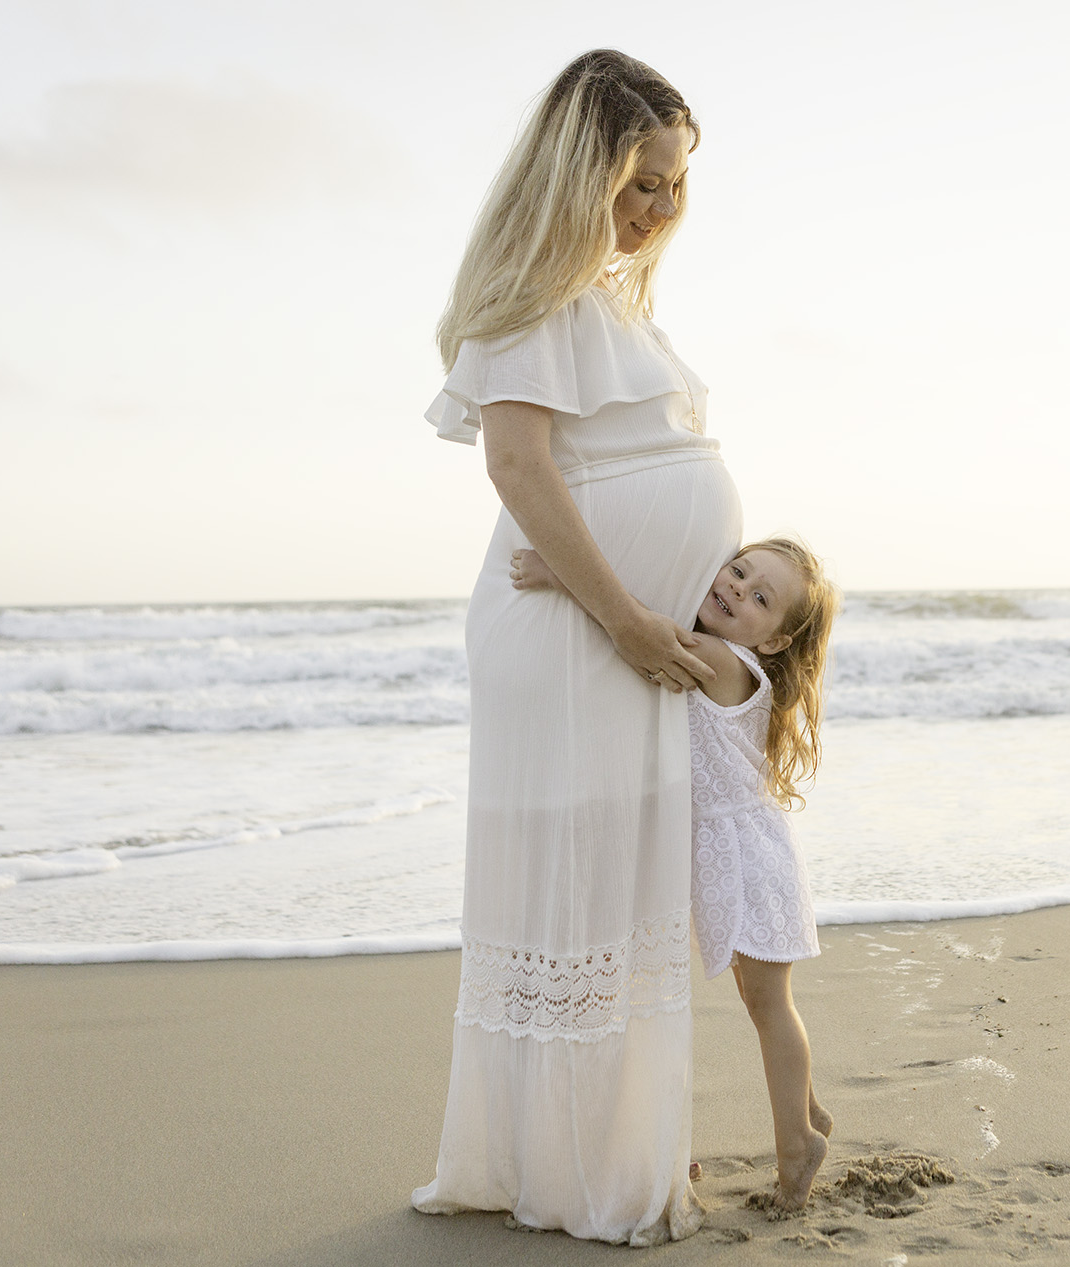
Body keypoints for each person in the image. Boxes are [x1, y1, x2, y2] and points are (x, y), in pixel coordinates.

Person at [410, 50, 737, 1245]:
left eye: (673, 185)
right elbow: (518, 466)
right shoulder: (535, 292)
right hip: (575, 641)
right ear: (578, 171)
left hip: (617, 637)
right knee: (582, 900)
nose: (656, 208)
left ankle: (611, 1153)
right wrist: (628, 616)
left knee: (617, 894)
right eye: (638, 181)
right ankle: (577, 1172)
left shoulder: (610, 302)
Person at [515, 537, 841, 1210]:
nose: (735, 589)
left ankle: (797, 1145)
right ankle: (806, 1110)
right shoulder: (724, 647)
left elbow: (635, 625)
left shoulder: (723, 659)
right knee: (760, 999)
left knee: (770, 1002)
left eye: (759, 598)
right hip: (725, 851)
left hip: (749, 857)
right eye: (739, 569)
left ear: (776, 641)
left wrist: (558, 570)